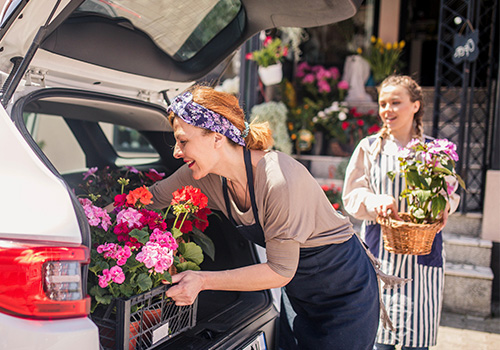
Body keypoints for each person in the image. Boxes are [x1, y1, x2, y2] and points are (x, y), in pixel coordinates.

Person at [147, 85, 380, 349]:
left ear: (216, 136)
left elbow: (279, 271)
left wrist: (203, 280)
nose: (177, 152)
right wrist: (93, 219)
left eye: (183, 141)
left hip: (343, 290)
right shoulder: (205, 176)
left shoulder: (279, 180)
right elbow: (151, 198)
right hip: (299, 289)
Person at [342, 75, 460, 350]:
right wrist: (374, 201)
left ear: (415, 106)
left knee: (415, 341)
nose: (387, 110)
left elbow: (451, 194)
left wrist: (445, 208)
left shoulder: (434, 151)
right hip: (380, 254)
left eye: (396, 102)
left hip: (423, 256)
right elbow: (351, 196)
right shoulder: (369, 148)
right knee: (377, 339)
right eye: (383, 103)